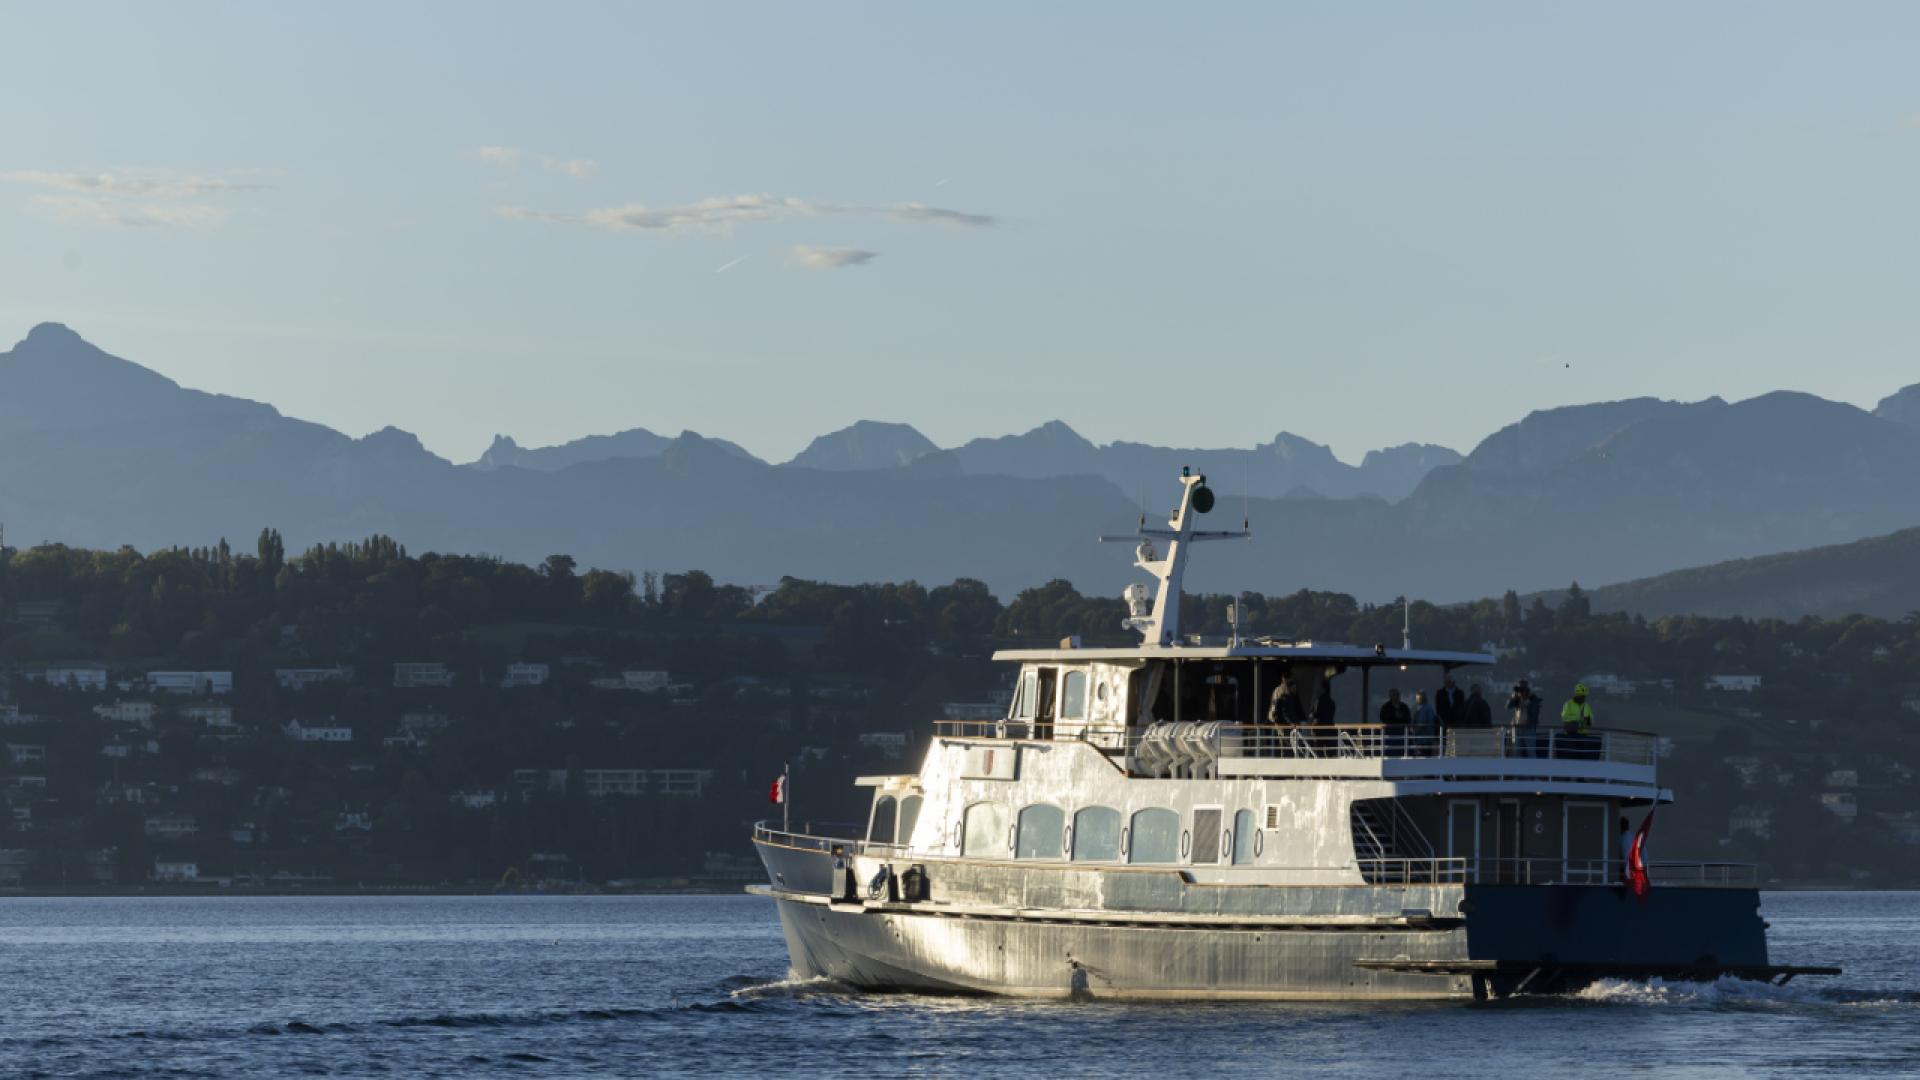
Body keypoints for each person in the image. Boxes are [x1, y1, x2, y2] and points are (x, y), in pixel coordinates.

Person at [1507, 680, 1543, 756]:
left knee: (1531, 752)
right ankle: (1516, 767)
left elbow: (1535, 711)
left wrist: (1529, 698)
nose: (1521, 690)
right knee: (1516, 753)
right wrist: (1514, 696)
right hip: (1517, 728)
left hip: (1528, 728)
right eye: (1519, 688)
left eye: (1523, 688)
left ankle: (1532, 767)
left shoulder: (1533, 699)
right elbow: (1508, 706)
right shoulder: (1517, 699)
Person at [1561, 683, 1596, 759]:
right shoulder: (1568, 704)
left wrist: (1586, 722)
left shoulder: (1587, 705)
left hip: (1584, 735)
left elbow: (1591, 719)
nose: (1584, 697)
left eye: (1584, 696)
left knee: (1582, 756)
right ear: (1577, 695)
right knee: (1571, 755)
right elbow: (1565, 717)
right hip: (1571, 735)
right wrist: (1578, 718)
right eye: (1583, 696)